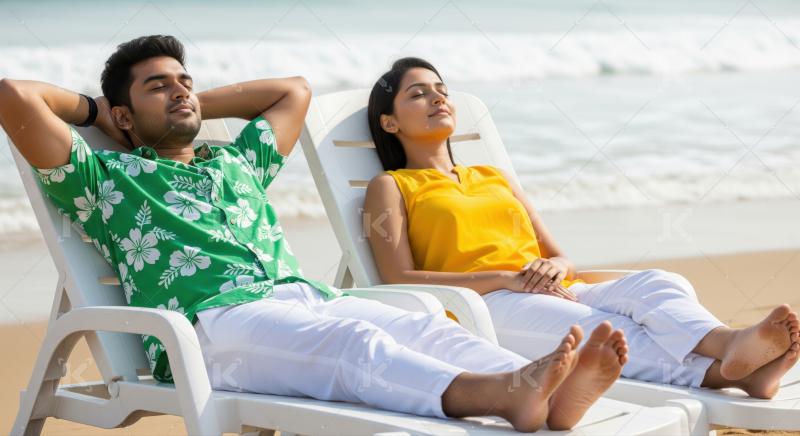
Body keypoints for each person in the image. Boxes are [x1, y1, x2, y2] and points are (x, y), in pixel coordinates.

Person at [0, 35, 629, 432]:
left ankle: (543, 392)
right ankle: (499, 395)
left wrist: (187, 105)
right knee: (352, 344)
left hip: (303, 298)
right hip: (209, 327)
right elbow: (13, 94)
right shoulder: (105, 178)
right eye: (157, 86)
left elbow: (293, 91)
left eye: (184, 81)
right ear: (121, 113)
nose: (180, 91)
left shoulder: (236, 163)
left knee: (423, 325)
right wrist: (102, 116)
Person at [364, 56, 800, 399]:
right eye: (418, 94)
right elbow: (396, 279)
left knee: (659, 282)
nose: (437, 99)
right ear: (389, 122)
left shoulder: (493, 176)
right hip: (486, 306)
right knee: (601, 327)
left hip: (556, 287)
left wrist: (554, 267)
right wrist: (505, 279)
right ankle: (731, 376)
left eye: (442, 91)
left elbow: (559, 255)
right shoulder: (392, 186)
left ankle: (728, 343)